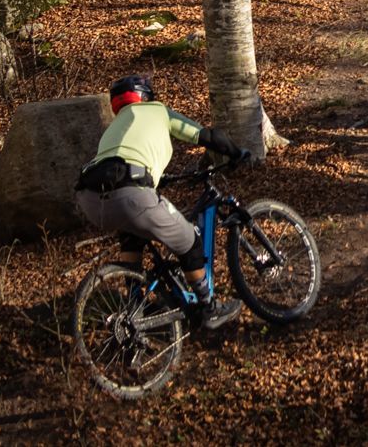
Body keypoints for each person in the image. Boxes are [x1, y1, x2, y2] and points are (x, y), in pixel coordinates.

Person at [74, 75, 249, 330]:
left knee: (132, 236)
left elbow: (127, 161)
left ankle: (134, 306)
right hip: (131, 194)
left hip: (90, 199)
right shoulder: (159, 111)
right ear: (146, 96)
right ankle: (209, 308)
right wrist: (236, 152)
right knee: (190, 241)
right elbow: (206, 136)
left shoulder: (114, 128)